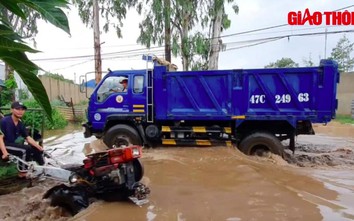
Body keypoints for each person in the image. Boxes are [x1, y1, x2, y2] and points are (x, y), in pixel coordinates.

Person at [0, 101, 44, 167]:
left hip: (12, 145)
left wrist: (39, 147)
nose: (20, 111)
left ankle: (43, 167)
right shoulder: (4, 121)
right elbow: (0, 138)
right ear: (11, 110)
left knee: (36, 149)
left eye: (22, 109)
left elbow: (28, 137)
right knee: (25, 149)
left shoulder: (20, 123)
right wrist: (4, 153)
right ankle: (22, 173)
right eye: (17, 109)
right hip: (4, 145)